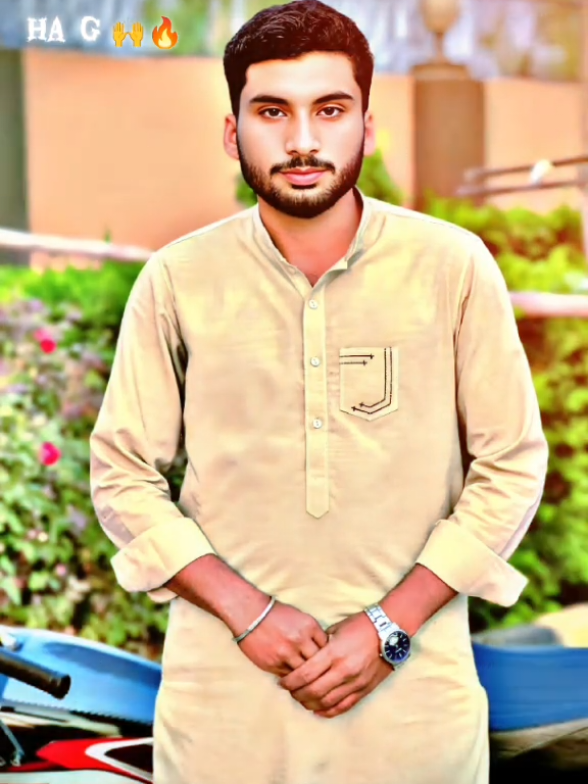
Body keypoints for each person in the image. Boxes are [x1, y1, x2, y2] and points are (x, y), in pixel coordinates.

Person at [89, 1, 549, 782]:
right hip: (224, 725)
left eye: (329, 110)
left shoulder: (451, 267)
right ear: (232, 132)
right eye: (272, 112)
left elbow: (510, 465)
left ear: (368, 127)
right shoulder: (178, 279)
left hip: (416, 722)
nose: (302, 140)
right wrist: (249, 614)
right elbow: (122, 473)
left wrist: (388, 628)